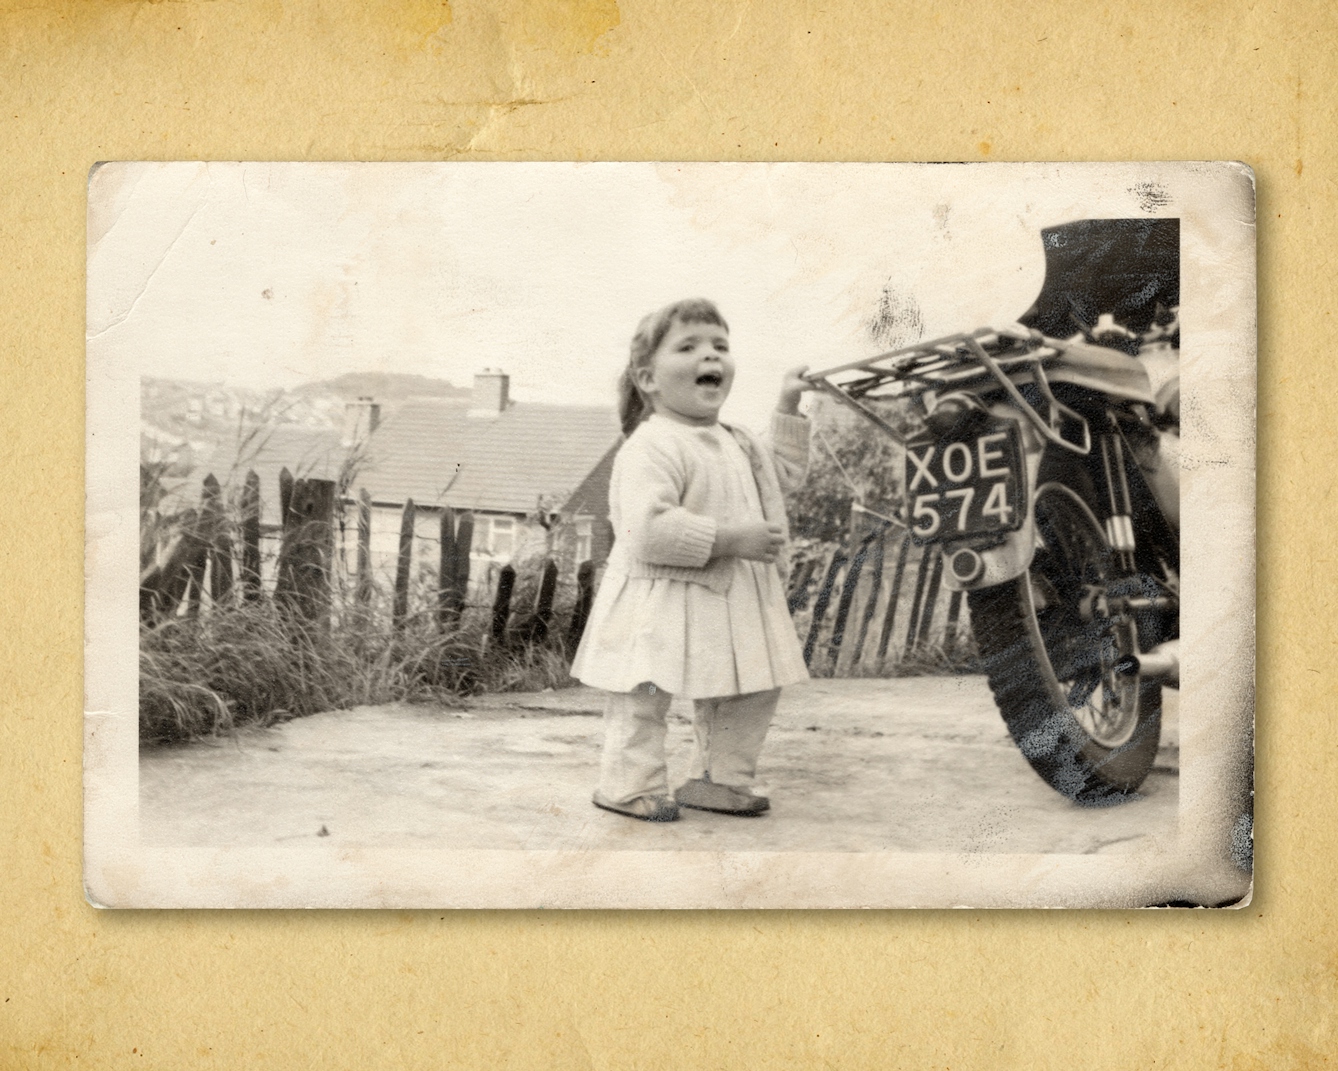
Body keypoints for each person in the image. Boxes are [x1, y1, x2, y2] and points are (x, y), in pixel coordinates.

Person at [570, 298, 815, 822]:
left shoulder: (739, 440)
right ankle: (627, 784)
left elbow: (785, 476)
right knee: (644, 691)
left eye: (720, 346)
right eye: (689, 347)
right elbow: (645, 531)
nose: (712, 356)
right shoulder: (652, 444)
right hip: (660, 597)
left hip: (735, 599)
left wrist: (789, 408)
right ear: (648, 378)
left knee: (751, 686)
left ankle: (721, 779)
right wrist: (730, 539)